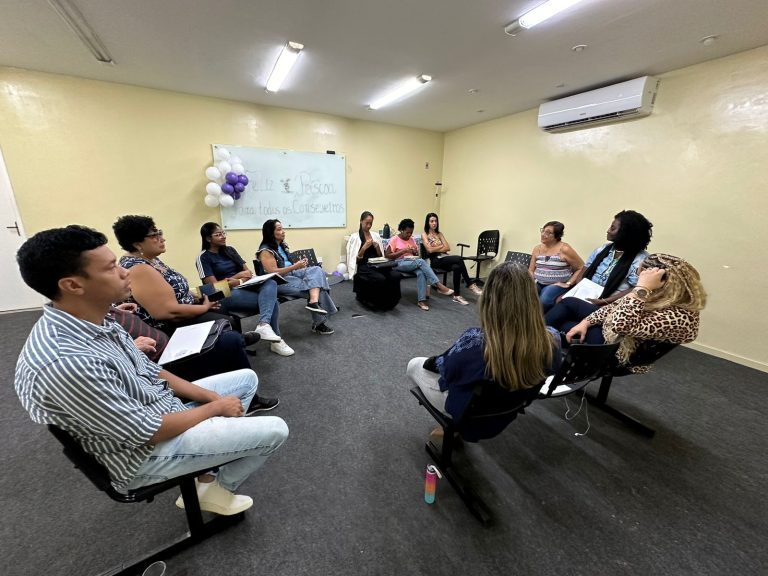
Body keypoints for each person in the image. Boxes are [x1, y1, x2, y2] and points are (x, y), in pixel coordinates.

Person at [14, 225, 289, 515]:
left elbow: (150, 370)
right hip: (143, 454)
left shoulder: (96, 318)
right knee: (275, 430)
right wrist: (214, 407)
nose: (125, 273)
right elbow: (148, 432)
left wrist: (210, 397)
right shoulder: (67, 361)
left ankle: (206, 476)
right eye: (111, 268)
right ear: (72, 285)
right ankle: (218, 488)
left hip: (159, 410)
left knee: (246, 379)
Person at [406, 262, 562, 439]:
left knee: (414, 364)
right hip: (507, 410)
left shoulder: (475, 343)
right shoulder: (553, 339)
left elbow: (447, 371)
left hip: (469, 415)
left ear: (489, 298)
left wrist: (432, 361)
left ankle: (452, 425)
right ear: (533, 298)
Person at [563, 253, 706, 373]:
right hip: (613, 336)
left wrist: (642, 288)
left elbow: (620, 326)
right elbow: (613, 308)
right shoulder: (659, 295)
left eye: (640, 272)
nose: (637, 273)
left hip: (620, 355)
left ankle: (553, 353)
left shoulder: (679, 316)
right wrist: (585, 323)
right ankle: (552, 349)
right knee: (569, 305)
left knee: (565, 326)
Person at [196, 222, 294, 356]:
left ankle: (264, 325)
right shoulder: (203, 258)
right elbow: (214, 288)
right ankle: (276, 341)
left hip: (243, 286)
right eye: (218, 235)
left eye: (223, 233)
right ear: (208, 238)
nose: (223, 236)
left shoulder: (230, 250)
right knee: (273, 302)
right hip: (225, 295)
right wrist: (237, 277)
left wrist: (238, 280)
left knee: (271, 282)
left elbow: (248, 273)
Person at [545, 210, 653, 329]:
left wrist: (604, 301)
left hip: (608, 306)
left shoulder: (639, 260)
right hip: (587, 296)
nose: (608, 230)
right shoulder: (603, 249)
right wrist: (576, 291)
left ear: (625, 233)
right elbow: (584, 271)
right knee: (562, 311)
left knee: (567, 303)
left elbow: (636, 289)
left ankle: (537, 333)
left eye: (613, 228)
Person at [257, 219, 338, 335]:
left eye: (282, 229)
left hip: (293, 273)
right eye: (279, 229)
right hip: (280, 281)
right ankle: (319, 322)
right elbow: (274, 273)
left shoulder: (281, 245)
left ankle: (313, 302)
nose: (283, 231)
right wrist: (295, 266)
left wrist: (298, 265)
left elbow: (288, 264)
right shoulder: (265, 251)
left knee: (317, 270)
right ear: (270, 232)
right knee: (316, 286)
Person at [386, 218, 454, 311]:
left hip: (412, 262)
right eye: (407, 232)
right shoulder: (394, 239)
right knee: (421, 261)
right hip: (399, 263)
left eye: (411, 233)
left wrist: (414, 252)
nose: (409, 235)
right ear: (401, 230)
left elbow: (416, 254)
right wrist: (403, 251)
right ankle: (438, 285)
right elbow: (387, 255)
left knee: (421, 272)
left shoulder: (412, 240)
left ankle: (421, 301)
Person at [421, 212, 483, 305]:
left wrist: (436, 248)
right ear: (428, 222)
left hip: (444, 258)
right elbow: (429, 250)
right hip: (435, 261)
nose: (434, 223)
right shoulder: (424, 234)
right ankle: (470, 284)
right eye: (432, 221)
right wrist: (441, 246)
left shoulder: (439, 234)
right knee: (459, 258)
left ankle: (456, 296)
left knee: (456, 267)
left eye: (436, 221)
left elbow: (448, 247)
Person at [346, 211, 402, 310]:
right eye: (366, 223)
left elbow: (381, 256)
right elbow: (355, 260)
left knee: (395, 275)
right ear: (361, 221)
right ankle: (375, 303)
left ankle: (392, 301)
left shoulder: (375, 235)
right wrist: (364, 248)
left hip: (377, 264)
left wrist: (377, 248)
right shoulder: (355, 237)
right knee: (380, 278)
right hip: (364, 265)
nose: (368, 226)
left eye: (370, 223)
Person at [528, 220, 584, 312]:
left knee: (544, 300)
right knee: (523, 295)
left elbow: (581, 267)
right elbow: (531, 270)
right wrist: (529, 283)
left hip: (556, 285)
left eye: (548, 233)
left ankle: (540, 319)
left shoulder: (565, 249)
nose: (543, 234)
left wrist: (568, 283)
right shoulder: (537, 249)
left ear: (557, 236)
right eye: (543, 231)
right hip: (539, 282)